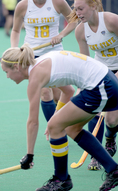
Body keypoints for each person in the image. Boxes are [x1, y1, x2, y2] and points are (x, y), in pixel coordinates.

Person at [1, 44, 118, 191]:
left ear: (17, 67)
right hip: (105, 82)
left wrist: (29, 155)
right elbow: (68, 91)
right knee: (70, 128)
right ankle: (113, 170)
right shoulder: (41, 64)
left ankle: (61, 179)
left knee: (55, 126)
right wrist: (56, 117)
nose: (7, 76)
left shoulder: (35, 77)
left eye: (6, 71)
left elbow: (32, 122)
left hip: (100, 86)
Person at [11, 0, 77, 124]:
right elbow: (15, 30)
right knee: (45, 92)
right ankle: (53, 129)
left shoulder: (58, 2)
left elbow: (74, 20)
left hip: (55, 54)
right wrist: (14, 48)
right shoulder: (23, 5)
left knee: (59, 95)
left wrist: (61, 35)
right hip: (33, 56)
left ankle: (61, 122)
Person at [70, 0, 118, 171]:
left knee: (112, 120)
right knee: (94, 110)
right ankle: (97, 156)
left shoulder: (112, 21)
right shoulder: (80, 31)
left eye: (81, 8)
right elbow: (86, 62)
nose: (78, 13)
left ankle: (110, 139)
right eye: (76, 9)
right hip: (101, 72)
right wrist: (82, 87)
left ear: (94, 6)